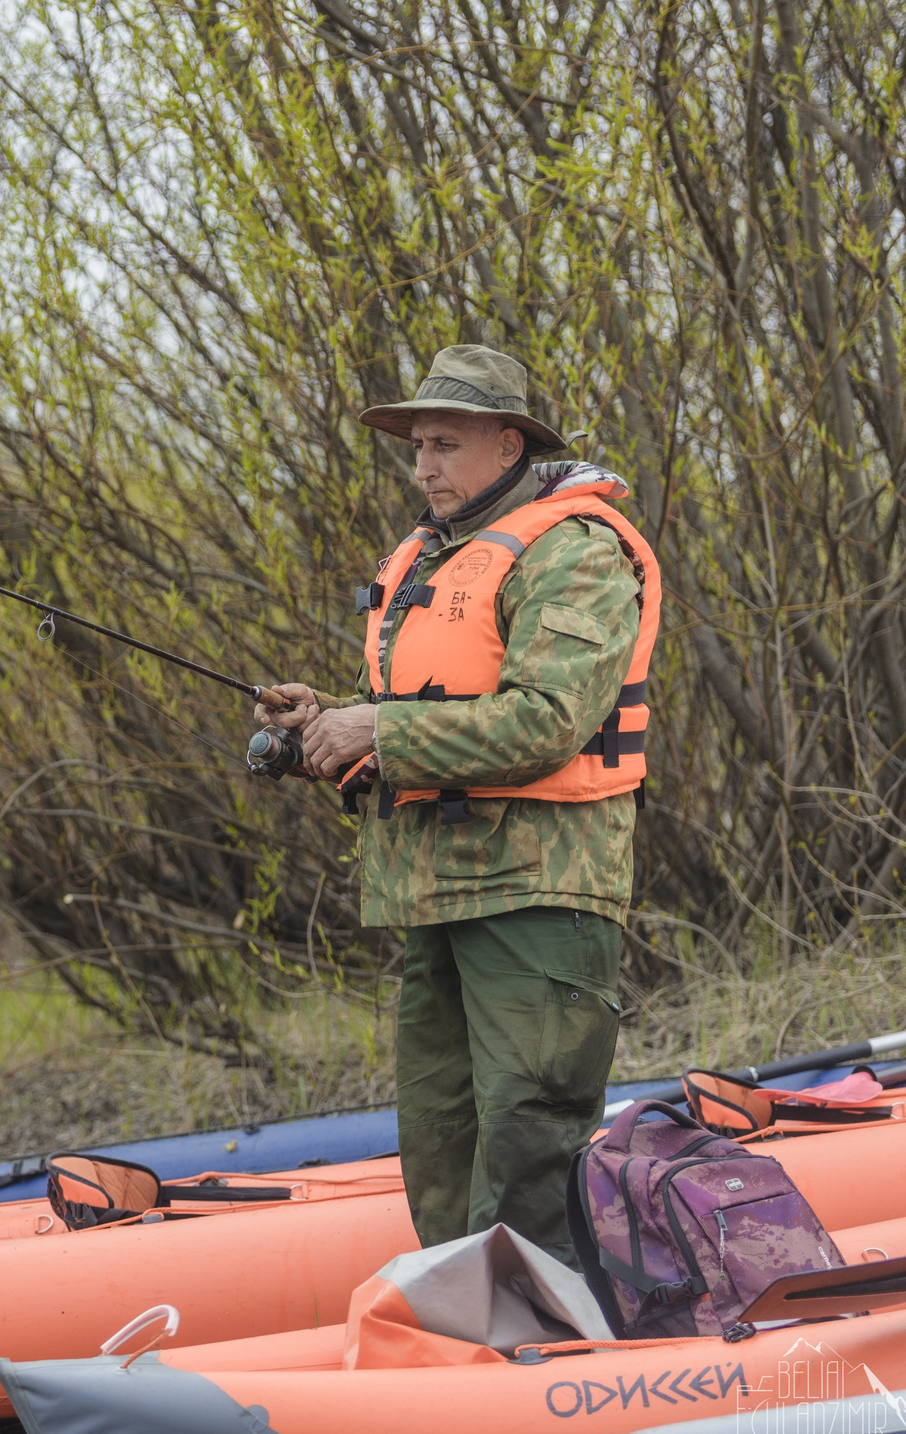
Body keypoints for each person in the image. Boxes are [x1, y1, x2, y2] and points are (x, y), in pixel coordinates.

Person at [257, 344, 660, 1265]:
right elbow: (413, 722)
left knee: (528, 1149)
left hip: (538, 904)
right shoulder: (429, 562)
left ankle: (540, 1358)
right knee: (439, 1152)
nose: (424, 466)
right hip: (435, 902)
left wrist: (377, 731)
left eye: (444, 443)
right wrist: (327, 729)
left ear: (508, 443)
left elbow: (548, 720)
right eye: (416, 447)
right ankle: (467, 1341)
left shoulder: (576, 551)